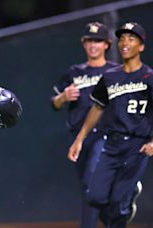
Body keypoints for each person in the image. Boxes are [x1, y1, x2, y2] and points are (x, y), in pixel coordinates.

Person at [68, 22, 153, 228]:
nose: (125, 42)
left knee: (117, 206)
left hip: (137, 146)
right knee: (94, 197)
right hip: (111, 144)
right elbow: (97, 108)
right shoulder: (110, 76)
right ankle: (127, 194)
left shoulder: (149, 76)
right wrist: (79, 139)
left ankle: (124, 199)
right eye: (122, 38)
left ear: (141, 46)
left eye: (131, 39)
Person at [52, 22, 118, 228]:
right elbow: (54, 103)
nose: (93, 45)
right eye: (89, 41)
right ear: (83, 44)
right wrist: (63, 97)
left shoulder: (116, 71)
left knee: (91, 183)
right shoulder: (74, 72)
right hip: (80, 139)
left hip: (106, 136)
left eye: (97, 41)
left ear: (106, 44)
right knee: (90, 189)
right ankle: (117, 216)